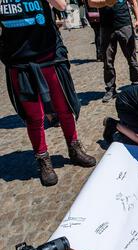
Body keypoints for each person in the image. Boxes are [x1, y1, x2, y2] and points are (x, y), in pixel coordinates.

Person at [0, 0, 97, 186]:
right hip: (19, 61)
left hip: (49, 55)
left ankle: (74, 147)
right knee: (34, 117)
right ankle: (43, 159)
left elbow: (61, 5)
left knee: (65, 106)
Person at [89, 0, 138, 103]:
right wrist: (106, 2)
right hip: (106, 27)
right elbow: (91, 3)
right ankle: (110, 89)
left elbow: (134, 2)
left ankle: (136, 84)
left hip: (124, 24)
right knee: (107, 61)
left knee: (131, 57)